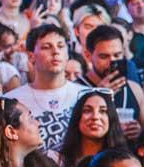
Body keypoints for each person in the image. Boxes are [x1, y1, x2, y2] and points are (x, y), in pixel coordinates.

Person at [6, 24, 87, 155]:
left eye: (60, 46)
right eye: (46, 47)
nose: (55, 52)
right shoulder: (11, 101)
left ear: (67, 54)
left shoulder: (86, 95)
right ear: (31, 56)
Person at [57, 89, 128, 167]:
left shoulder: (125, 162)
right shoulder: (57, 161)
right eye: (87, 111)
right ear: (77, 118)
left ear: (111, 118)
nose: (95, 117)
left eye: (102, 111)